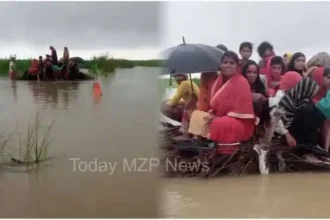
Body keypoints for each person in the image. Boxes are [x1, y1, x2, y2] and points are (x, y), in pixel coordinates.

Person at [189, 51, 257, 155]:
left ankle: (214, 146)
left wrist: (217, 118)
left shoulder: (242, 82)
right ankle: (200, 142)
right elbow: (214, 105)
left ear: (237, 66)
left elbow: (243, 111)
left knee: (222, 123)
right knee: (197, 115)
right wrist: (212, 114)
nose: (228, 65)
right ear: (220, 65)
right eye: (225, 62)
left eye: (231, 63)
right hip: (218, 117)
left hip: (238, 122)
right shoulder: (218, 81)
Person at [277, 78, 321, 156]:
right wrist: (287, 135)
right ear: (306, 90)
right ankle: (307, 149)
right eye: (312, 92)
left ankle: (310, 147)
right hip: (287, 135)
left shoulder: (306, 101)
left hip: (299, 137)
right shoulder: (287, 99)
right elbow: (276, 120)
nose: (313, 95)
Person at [268, 71, 303, 147]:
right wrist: (287, 134)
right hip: (277, 133)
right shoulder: (279, 97)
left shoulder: (293, 96)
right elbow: (274, 117)